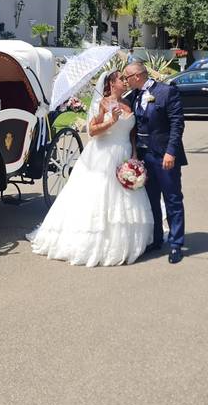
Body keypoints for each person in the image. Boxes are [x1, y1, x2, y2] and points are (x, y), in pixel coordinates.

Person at [28, 71, 154, 266]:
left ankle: (127, 241)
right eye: (121, 79)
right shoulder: (103, 104)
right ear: (112, 84)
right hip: (104, 155)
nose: (125, 81)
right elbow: (92, 131)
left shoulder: (129, 104)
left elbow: (132, 133)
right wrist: (110, 121)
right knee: (100, 196)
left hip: (125, 154)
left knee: (125, 198)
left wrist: (135, 154)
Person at [122, 61, 188, 264]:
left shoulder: (166, 92)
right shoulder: (132, 96)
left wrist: (171, 152)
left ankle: (176, 244)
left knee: (172, 199)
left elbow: (178, 123)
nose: (125, 81)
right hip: (144, 157)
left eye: (127, 77)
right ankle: (157, 238)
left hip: (164, 156)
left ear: (137, 76)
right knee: (151, 200)